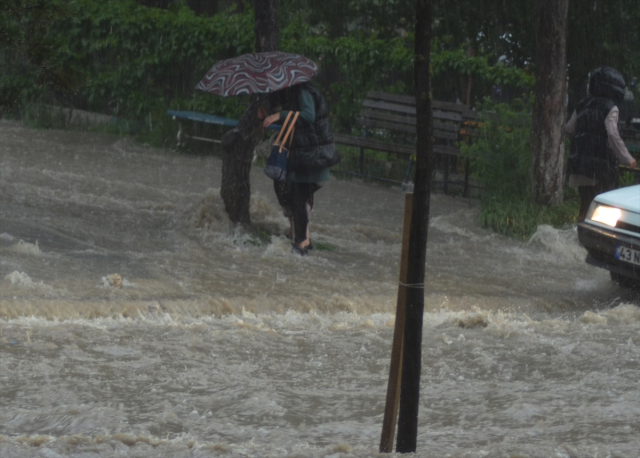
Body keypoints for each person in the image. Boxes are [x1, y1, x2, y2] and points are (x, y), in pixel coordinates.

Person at [260, 82, 340, 255]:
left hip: (313, 156)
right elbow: (294, 120)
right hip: (308, 155)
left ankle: (301, 243)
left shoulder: (304, 92)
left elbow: (308, 116)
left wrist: (278, 115)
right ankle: (303, 240)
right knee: (297, 196)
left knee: (298, 197)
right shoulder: (295, 93)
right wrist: (270, 115)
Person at [566, 66, 637, 221]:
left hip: (580, 166)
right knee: (603, 210)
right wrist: (627, 158)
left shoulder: (582, 104)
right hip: (601, 170)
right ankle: (598, 241)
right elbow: (612, 135)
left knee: (584, 207)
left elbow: (570, 128)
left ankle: (579, 236)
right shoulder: (611, 108)